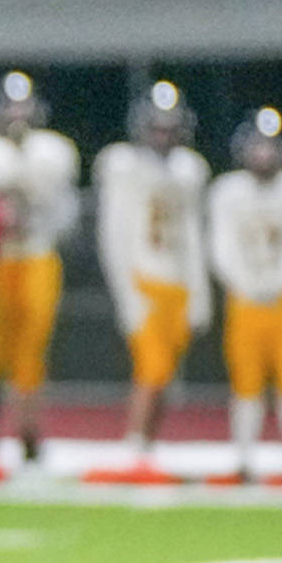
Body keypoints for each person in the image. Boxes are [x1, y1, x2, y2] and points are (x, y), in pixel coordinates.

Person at [0, 72, 80, 472]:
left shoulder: (54, 150)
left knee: (31, 351)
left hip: (36, 252)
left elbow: (51, 196)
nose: (16, 114)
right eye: (9, 105)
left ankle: (28, 434)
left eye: (22, 105)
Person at [93, 82, 211, 481]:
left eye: (170, 126)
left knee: (167, 378)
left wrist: (199, 291)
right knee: (152, 370)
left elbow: (193, 234)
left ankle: (149, 445)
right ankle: (134, 443)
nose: (163, 134)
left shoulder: (190, 168)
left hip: (176, 281)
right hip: (146, 279)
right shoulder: (122, 164)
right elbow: (114, 233)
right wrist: (127, 293)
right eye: (156, 126)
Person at [205, 108, 282, 484]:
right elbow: (221, 248)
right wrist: (249, 286)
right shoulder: (227, 190)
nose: (264, 155)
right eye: (258, 146)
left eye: (271, 147)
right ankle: (243, 459)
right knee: (246, 383)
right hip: (244, 298)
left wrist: (276, 285)